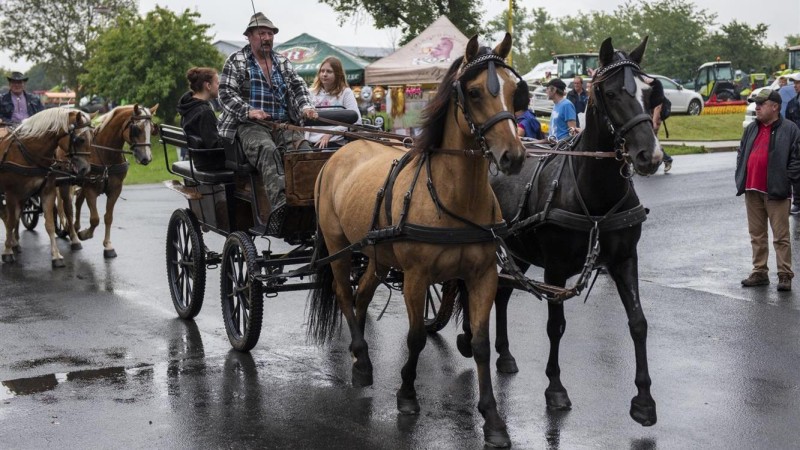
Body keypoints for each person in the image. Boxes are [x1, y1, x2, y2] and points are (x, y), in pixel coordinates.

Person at [217, 12, 318, 212]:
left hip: (282, 123)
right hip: (249, 125)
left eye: (270, 34)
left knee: (305, 153)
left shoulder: (282, 62)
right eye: (262, 33)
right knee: (268, 150)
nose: (267, 38)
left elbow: (299, 88)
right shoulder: (236, 60)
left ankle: (311, 206)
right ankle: (282, 207)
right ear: (249, 36)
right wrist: (249, 111)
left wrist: (306, 107)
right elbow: (225, 93)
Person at [735, 89, 800, 291]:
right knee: (757, 234)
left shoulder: (790, 129)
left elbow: (796, 160)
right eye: (756, 103)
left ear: (775, 106)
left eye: (762, 103)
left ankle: (784, 274)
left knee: (781, 236)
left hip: (776, 191)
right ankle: (760, 272)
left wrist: (785, 180)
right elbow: (741, 152)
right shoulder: (751, 128)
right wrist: (741, 175)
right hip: (752, 188)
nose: (757, 107)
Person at [306, 56, 361, 148]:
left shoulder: (346, 93)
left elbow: (357, 121)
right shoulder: (310, 92)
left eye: (329, 71)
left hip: (336, 141)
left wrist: (330, 134)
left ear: (338, 74)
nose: (324, 74)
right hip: (309, 141)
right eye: (322, 71)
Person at [177, 67, 221, 150]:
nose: (219, 86)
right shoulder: (205, 112)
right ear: (208, 86)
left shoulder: (187, 107)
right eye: (217, 83)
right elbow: (214, 146)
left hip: (197, 159)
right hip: (211, 162)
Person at [647, 76, 674, 173]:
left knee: (652, 141)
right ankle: (657, 161)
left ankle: (666, 159)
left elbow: (658, 107)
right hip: (650, 117)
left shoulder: (655, 87)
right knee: (652, 141)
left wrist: (654, 122)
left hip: (656, 118)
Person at [784, 73, 800, 214]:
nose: (795, 86)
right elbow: (788, 125)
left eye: (798, 83)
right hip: (796, 145)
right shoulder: (791, 104)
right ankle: (798, 202)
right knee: (795, 173)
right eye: (794, 83)